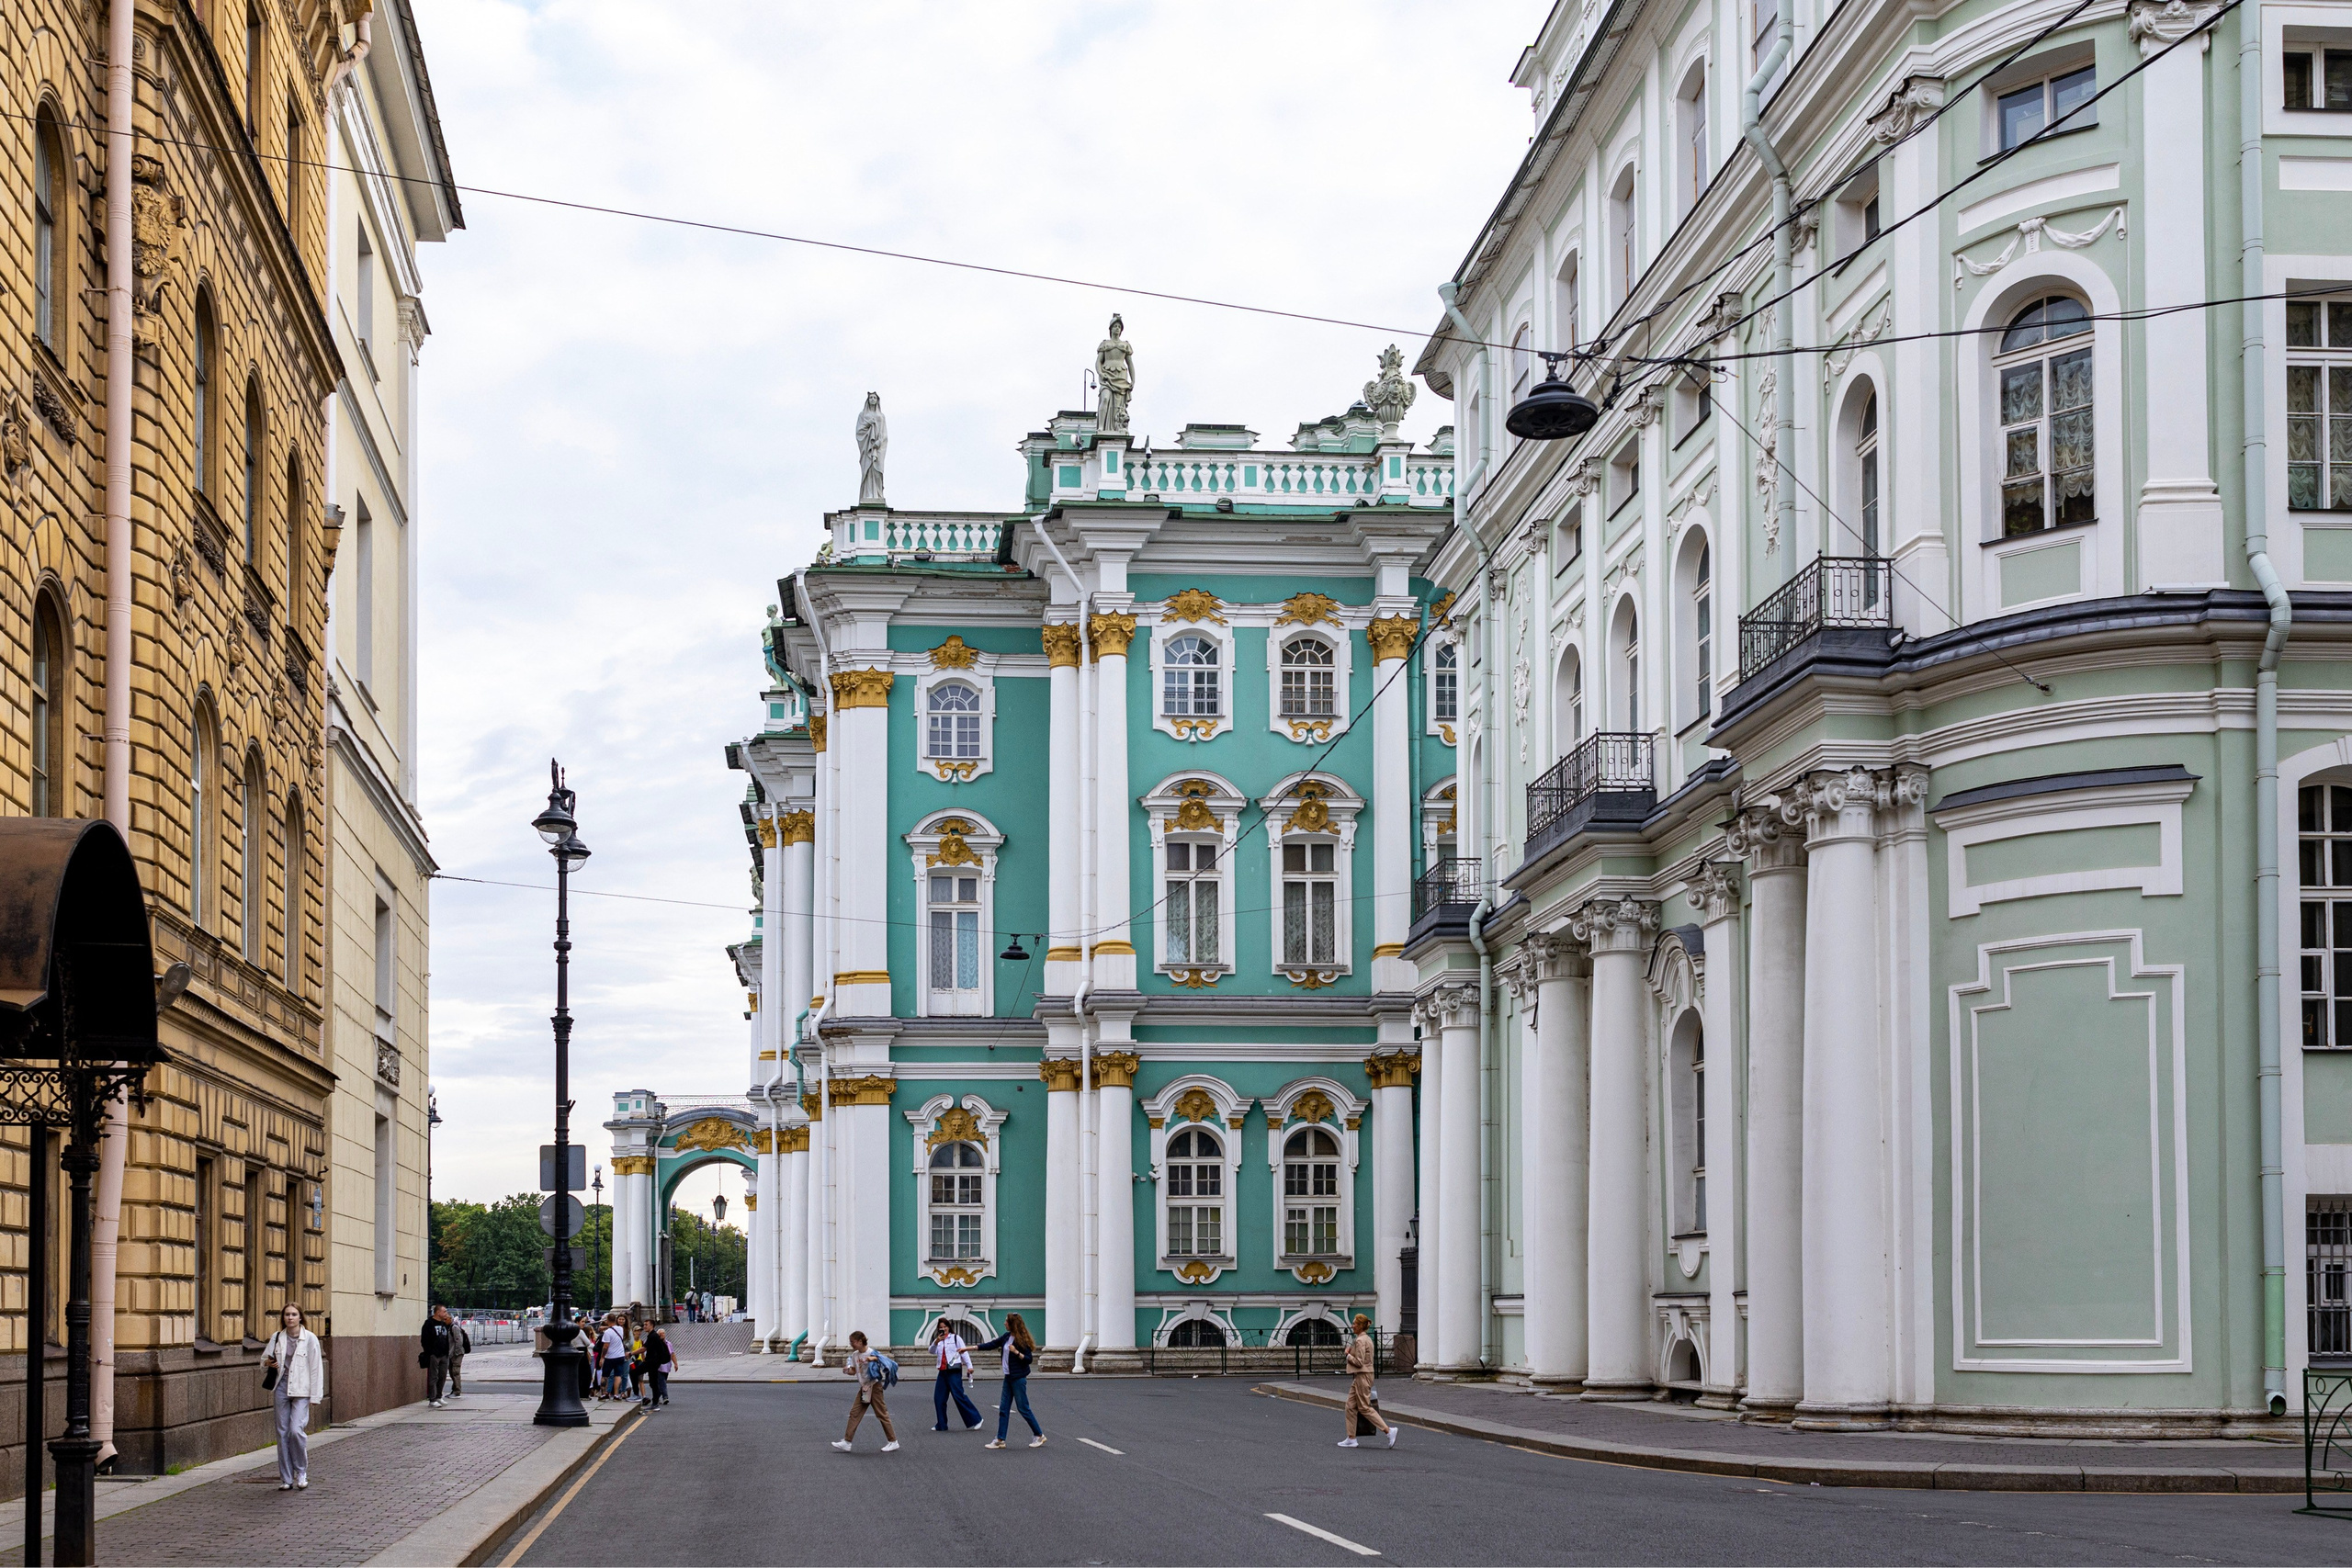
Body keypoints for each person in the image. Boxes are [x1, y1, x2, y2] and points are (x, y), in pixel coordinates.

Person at [263, 1303, 324, 1491]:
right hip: (281, 1387)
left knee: (295, 1430)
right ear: (283, 1318)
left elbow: (316, 1368)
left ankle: (302, 1471)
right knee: (282, 1433)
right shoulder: (277, 1338)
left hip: (301, 1390)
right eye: (287, 1315)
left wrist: (315, 1396)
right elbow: (264, 1359)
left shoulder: (310, 1339)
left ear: (300, 1317)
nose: (290, 1318)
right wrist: (268, 1363)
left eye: (294, 1314)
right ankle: (286, 1478)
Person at [973, 1314, 1044, 1450]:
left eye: (1007, 1321)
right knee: (1004, 1409)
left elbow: (1028, 1359)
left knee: (1023, 1408)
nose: (1004, 1323)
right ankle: (1000, 1439)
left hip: (1018, 1379)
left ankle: (1039, 1435)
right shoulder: (1006, 1337)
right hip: (1009, 1377)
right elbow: (992, 1344)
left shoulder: (1021, 1340)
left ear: (1013, 1324)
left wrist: (1016, 1352)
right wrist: (971, 1348)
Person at [831, 1331, 899, 1452]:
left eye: (852, 1342)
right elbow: (853, 1371)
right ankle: (847, 1442)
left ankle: (893, 1441)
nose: (851, 1344)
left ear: (860, 1341)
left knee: (881, 1414)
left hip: (874, 1386)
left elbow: (883, 1361)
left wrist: (871, 1359)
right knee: (855, 1413)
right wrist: (847, 1371)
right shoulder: (855, 1355)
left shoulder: (871, 1353)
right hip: (864, 1387)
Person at [1338, 1314, 1395, 1449]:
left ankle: (1388, 1431)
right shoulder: (1366, 1338)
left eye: (1354, 1324)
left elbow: (1359, 1362)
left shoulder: (1360, 1340)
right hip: (1361, 1375)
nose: (1352, 1326)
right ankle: (1351, 1438)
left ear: (1360, 1326)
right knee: (1350, 1406)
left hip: (1363, 1375)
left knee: (1364, 1407)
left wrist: (1348, 1355)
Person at [928, 1319, 982, 1432]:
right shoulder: (938, 1340)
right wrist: (936, 1341)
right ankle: (941, 1424)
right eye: (941, 1327)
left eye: (945, 1327)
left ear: (949, 1327)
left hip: (954, 1371)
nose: (943, 1329)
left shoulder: (956, 1338)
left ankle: (976, 1419)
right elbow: (931, 1351)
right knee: (939, 1398)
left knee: (958, 1396)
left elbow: (964, 1352)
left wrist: (969, 1366)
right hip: (942, 1371)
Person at [420, 1305, 455, 1409]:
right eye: (444, 1312)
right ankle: (432, 1399)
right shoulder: (429, 1323)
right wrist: (430, 1352)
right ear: (438, 1312)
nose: (446, 1314)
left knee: (442, 1376)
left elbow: (446, 1337)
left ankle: (439, 1396)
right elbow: (424, 1340)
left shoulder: (444, 1323)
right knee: (433, 1377)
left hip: (444, 1354)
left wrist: (449, 1324)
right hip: (434, 1354)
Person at [642, 1321, 674, 1409]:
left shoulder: (668, 1344)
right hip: (658, 1367)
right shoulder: (653, 1340)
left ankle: (657, 1398)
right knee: (660, 1383)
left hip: (666, 1366)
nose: (662, 1335)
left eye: (663, 1333)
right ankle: (664, 1397)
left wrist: (675, 1363)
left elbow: (672, 1354)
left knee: (659, 1382)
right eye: (660, 1333)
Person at [599, 1314, 629, 1403]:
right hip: (620, 1356)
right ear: (616, 1320)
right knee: (618, 1375)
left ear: (608, 1320)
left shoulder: (607, 1332)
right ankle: (616, 1395)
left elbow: (605, 1346)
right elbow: (613, 1327)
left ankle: (604, 1393)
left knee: (605, 1375)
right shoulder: (620, 1329)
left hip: (610, 1357)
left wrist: (602, 1358)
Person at [447, 1315, 472, 1401]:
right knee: (452, 1371)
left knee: (455, 1372)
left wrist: (456, 1353)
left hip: (457, 1353)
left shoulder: (454, 1327)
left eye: (446, 1319)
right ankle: (454, 1389)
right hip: (452, 1353)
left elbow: (458, 1341)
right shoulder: (449, 1327)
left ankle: (457, 1391)